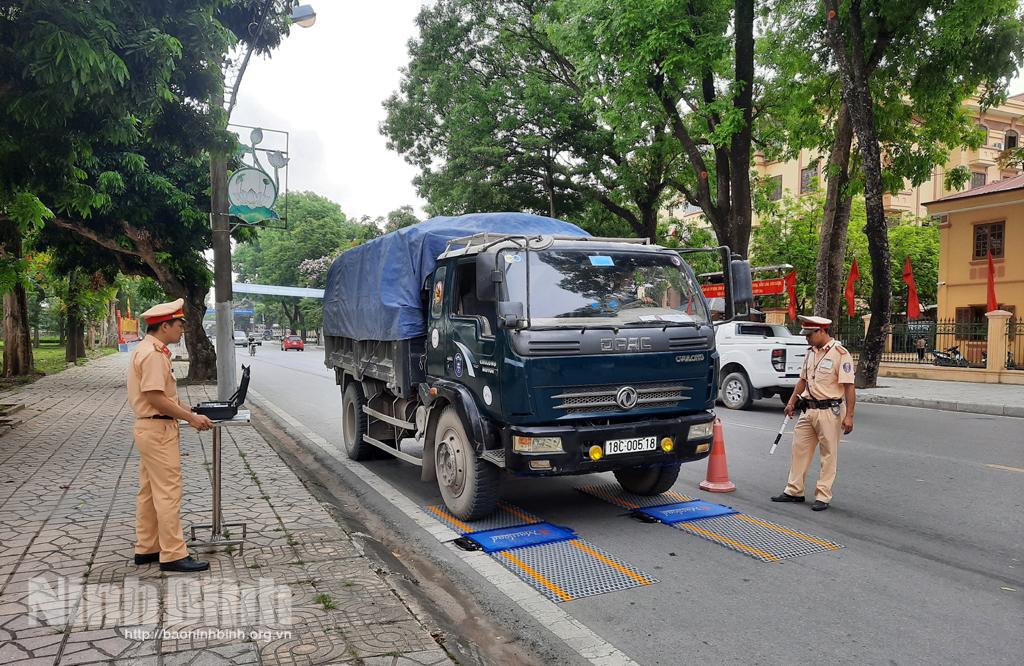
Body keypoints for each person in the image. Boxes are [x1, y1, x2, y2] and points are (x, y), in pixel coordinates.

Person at [129, 298, 214, 572]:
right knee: (168, 493)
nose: (182, 330)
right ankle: (174, 554)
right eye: (179, 325)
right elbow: (154, 396)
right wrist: (190, 417)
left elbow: (164, 396)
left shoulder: (148, 349)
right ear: (165, 326)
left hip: (149, 427)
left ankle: (148, 547)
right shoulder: (154, 354)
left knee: (149, 492)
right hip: (157, 429)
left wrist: (192, 409)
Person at [771, 315, 856, 511]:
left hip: (830, 411)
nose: (806, 339)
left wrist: (849, 415)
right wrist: (791, 402)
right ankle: (794, 491)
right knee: (799, 450)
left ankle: (823, 495)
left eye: (809, 335)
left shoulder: (840, 354)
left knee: (828, 455)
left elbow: (849, 387)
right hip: (808, 409)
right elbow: (802, 380)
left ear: (821, 331)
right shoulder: (810, 353)